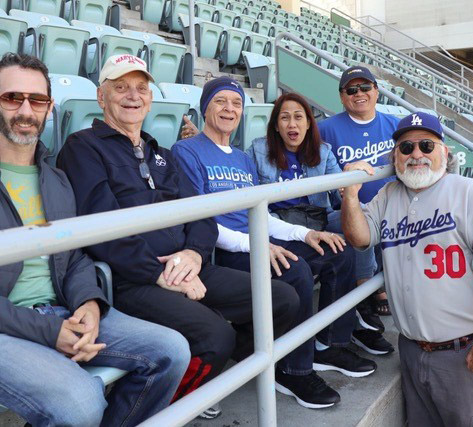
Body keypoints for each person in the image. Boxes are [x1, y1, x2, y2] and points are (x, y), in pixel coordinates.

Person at [0, 53, 191, 426]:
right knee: (81, 402)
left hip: (61, 312)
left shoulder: (57, 179)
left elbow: (75, 256)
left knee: (171, 350)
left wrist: (89, 304)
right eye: (13, 98)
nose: (26, 110)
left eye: (38, 100)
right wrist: (49, 331)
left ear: (49, 108)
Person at [57, 55, 299, 417]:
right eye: (120, 87)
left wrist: (194, 256)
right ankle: (167, 405)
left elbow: (202, 218)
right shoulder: (83, 147)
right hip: (130, 278)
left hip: (186, 266)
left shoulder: (162, 154)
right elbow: (101, 228)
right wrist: (161, 275)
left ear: (151, 99)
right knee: (215, 336)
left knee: (281, 298)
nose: (132, 96)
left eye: (141, 88)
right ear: (101, 97)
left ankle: (200, 377)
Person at [172, 77, 378, 410]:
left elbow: (261, 214)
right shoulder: (186, 151)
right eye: (220, 102)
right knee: (295, 272)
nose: (229, 109)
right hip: (225, 251)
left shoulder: (241, 158)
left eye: (236, 103)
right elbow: (201, 221)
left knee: (336, 251)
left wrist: (306, 234)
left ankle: (326, 346)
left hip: (257, 240)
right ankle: (294, 371)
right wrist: (255, 245)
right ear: (205, 107)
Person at [341, 111, 473, 426]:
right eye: (406, 148)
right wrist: (351, 195)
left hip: (465, 352)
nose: (417, 154)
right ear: (395, 156)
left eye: (426, 145)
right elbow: (359, 237)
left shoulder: (472, 194)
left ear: (444, 152)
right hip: (411, 351)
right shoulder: (388, 195)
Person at [246, 92, 393, 356]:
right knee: (339, 247)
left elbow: (340, 189)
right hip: (278, 223)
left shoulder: (322, 151)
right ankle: (357, 306)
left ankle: (362, 294)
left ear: (308, 124)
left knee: (357, 216)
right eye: (285, 118)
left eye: (299, 118)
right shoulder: (258, 150)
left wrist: (352, 171)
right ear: (276, 126)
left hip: (317, 217)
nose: (292, 124)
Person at [318, 65, 400, 348]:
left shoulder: (394, 125)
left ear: (376, 92)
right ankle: (367, 293)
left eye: (365, 87)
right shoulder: (326, 128)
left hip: (391, 206)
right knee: (362, 222)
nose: (359, 94)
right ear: (342, 97)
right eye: (351, 90)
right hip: (348, 210)